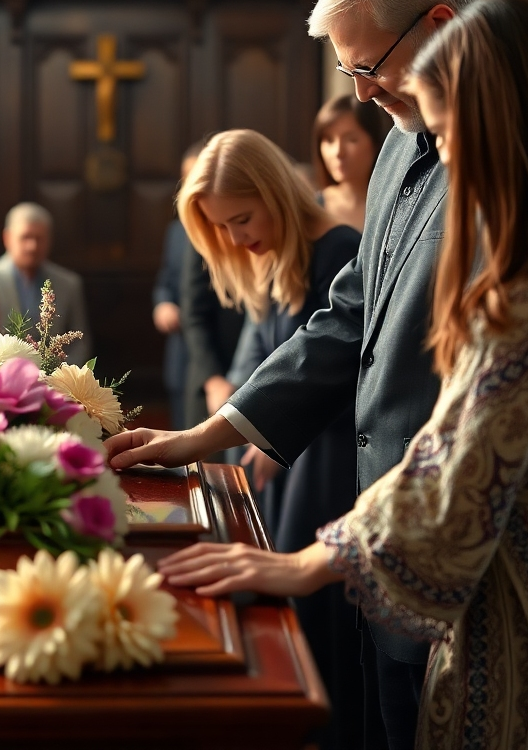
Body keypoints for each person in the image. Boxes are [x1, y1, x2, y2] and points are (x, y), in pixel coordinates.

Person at [153, 0, 528, 749]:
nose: (446, 157)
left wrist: (306, 563)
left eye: (451, 131)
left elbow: (456, 469)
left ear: (509, 125)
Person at [106, 0, 482, 750]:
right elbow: (350, 318)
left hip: (465, 541)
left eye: (367, 65)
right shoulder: (397, 152)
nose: (362, 91)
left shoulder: (506, 165)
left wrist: (311, 562)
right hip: (382, 537)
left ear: (441, 25)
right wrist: (211, 432)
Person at [180, 129, 363, 750]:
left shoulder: (338, 249)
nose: (234, 239)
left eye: (241, 218)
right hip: (290, 462)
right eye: (219, 227)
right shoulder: (278, 254)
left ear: (276, 194)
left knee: (327, 626)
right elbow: (261, 359)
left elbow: (327, 372)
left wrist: (261, 429)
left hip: (332, 463)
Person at [0, 203, 92, 366]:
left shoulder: (69, 283)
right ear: (8, 238)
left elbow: (80, 341)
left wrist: (62, 377)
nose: (32, 246)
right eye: (25, 237)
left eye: (39, 238)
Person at [151, 143, 204, 430]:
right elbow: (166, 281)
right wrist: (162, 304)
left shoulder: (228, 228)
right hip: (181, 353)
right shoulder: (177, 231)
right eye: (187, 177)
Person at [313, 94, 390, 231]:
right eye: (329, 140)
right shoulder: (313, 209)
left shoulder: (393, 207)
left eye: (351, 139)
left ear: (375, 143)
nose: (338, 152)